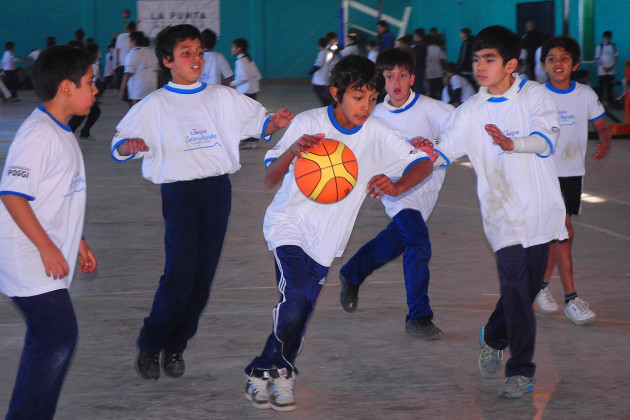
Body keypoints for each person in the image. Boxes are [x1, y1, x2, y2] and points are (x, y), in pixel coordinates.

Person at [243, 54, 433, 412]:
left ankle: (265, 367)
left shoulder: (377, 133)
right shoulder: (308, 123)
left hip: (327, 239)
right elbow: (270, 178)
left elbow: (421, 163)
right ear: (335, 93)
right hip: (288, 224)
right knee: (296, 294)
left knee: (303, 310)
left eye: (373, 99)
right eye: (358, 97)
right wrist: (293, 152)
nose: (366, 106)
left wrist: (396, 183)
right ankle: (282, 371)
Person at [110, 24, 293, 382]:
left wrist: (276, 123)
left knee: (202, 279)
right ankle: (151, 343)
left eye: (198, 52)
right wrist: (127, 147)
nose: (195, 59)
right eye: (185, 53)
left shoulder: (221, 98)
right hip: (179, 194)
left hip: (216, 192)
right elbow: (118, 143)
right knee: (179, 274)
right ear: (167, 60)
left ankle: (176, 345)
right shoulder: (154, 104)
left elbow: (260, 124)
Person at [431, 25, 566, 398]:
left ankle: (493, 335)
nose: (480, 66)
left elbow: (545, 141)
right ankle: (521, 371)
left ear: (510, 64)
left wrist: (512, 143)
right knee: (517, 291)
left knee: (529, 286)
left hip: (540, 212)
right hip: (501, 215)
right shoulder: (471, 110)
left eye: (489, 59)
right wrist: (423, 153)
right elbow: (443, 154)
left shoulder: (536, 97)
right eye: (476, 59)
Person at [0, 45, 98, 419]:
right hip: (26, 256)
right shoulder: (39, 135)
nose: (95, 89)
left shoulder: (60, 130)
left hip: (39, 251)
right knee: (56, 336)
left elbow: (54, 196)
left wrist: (77, 239)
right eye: (89, 82)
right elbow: (12, 195)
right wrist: (47, 248)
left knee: (51, 338)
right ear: (66, 88)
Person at [339, 48, 453, 340]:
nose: (397, 82)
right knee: (418, 243)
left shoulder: (432, 108)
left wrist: (435, 150)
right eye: (389, 77)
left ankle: (352, 272)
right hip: (397, 191)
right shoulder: (375, 115)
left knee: (397, 241)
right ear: (382, 81)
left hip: (427, 187)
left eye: (402, 75)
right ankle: (418, 317)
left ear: (412, 78)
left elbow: (461, 134)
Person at [534, 35, 611, 325]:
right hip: (545, 174)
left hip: (572, 175)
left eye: (564, 58)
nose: (558, 63)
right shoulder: (537, 96)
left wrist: (604, 142)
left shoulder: (585, 95)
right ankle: (571, 298)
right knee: (564, 233)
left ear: (575, 64)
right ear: (543, 65)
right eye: (551, 58)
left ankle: (540, 287)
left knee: (560, 234)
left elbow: (602, 126)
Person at [230, 37, 263, 149]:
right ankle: (253, 140)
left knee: (243, 117)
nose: (232, 49)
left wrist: (232, 83)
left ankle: (245, 140)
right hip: (252, 91)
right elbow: (258, 75)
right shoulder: (249, 60)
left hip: (244, 93)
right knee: (251, 116)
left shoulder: (240, 61)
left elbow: (243, 77)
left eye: (233, 47)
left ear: (239, 49)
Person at [69, 42, 104, 141]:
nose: (98, 54)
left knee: (91, 113)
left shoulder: (85, 63)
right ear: (94, 53)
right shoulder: (89, 65)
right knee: (80, 116)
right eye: (97, 52)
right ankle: (67, 136)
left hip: (81, 93)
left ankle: (84, 132)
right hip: (82, 94)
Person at [119, 31, 158, 106]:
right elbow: (157, 70)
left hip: (138, 92)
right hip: (152, 89)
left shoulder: (132, 55)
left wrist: (122, 91)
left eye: (129, 41)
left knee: (136, 114)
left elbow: (127, 75)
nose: (128, 43)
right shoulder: (150, 52)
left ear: (133, 41)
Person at [594, 31, 618, 104]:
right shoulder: (599, 47)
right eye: (605, 38)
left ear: (610, 38)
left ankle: (610, 101)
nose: (607, 39)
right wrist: (603, 67)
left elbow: (616, 57)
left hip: (611, 70)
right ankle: (599, 102)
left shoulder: (614, 46)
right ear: (603, 38)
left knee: (610, 86)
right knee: (601, 86)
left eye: (608, 38)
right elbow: (598, 58)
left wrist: (612, 66)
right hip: (602, 71)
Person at [309, 37, 331, 106]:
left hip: (319, 80)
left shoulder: (322, 53)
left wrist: (311, 71)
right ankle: (327, 105)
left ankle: (327, 106)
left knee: (321, 95)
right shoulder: (329, 52)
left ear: (319, 45)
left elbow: (319, 64)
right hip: (326, 78)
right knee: (324, 94)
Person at [115, 21, 136, 89]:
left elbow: (117, 49)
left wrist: (117, 60)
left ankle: (120, 90)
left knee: (121, 77)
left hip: (122, 61)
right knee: (130, 78)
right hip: (131, 61)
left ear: (127, 28)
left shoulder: (120, 36)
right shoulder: (135, 37)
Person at [425, 35, 446, 100]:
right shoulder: (438, 48)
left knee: (432, 90)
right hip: (438, 72)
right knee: (440, 89)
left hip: (429, 72)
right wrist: (444, 69)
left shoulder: (425, 49)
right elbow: (443, 60)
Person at [411, 28, 427, 95]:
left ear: (418, 35)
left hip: (418, 67)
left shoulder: (421, 45)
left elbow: (419, 56)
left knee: (418, 84)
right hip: (417, 67)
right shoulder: (417, 44)